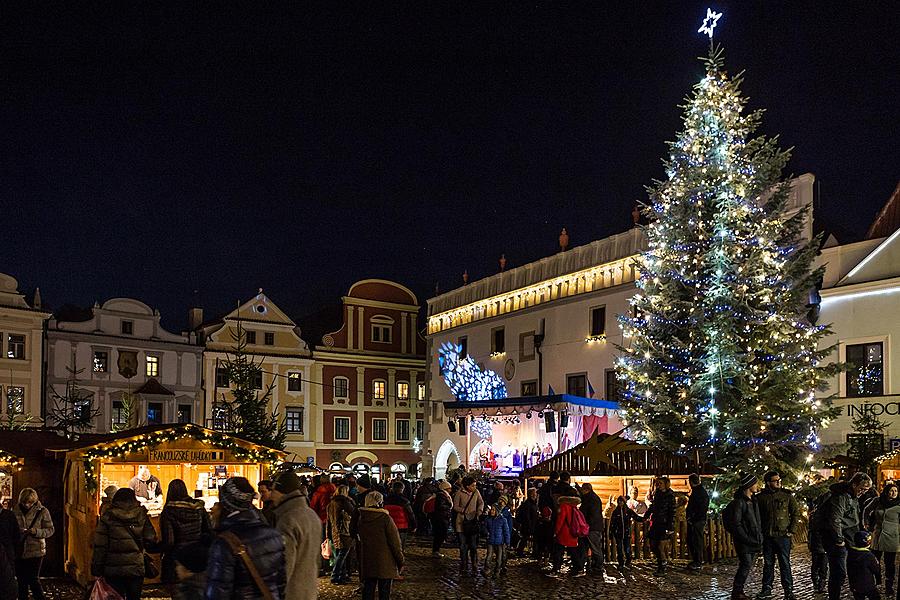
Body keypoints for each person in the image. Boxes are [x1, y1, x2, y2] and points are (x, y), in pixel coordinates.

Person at [205, 478, 286, 600]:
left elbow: (218, 591)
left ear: (226, 504)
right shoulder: (273, 535)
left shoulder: (225, 542)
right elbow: (281, 582)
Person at [811, 472, 873, 600]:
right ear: (854, 485)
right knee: (839, 573)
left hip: (850, 539)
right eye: (862, 489)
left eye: (866, 490)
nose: (863, 492)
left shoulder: (853, 496)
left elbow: (853, 517)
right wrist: (839, 540)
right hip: (838, 541)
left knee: (854, 570)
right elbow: (835, 519)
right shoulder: (841, 497)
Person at [91, 488, 158, 600]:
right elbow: (151, 539)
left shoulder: (108, 516)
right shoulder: (141, 515)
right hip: (135, 567)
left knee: (115, 597)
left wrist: (96, 568)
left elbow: (100, 545)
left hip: (113, 568)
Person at [270, 471, 320, 600]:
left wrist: (276, 592)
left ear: (282, 492)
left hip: (292, 591)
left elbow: (285, 563)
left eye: (273, 491)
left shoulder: (288, 519)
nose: (271, 496)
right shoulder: (311, 515)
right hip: (308, 588)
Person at [755, 470, 800, 600]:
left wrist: (791, 530)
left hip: (783, 535)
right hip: (768, 536)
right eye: (775, 480)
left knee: (784, 563)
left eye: (779, 480)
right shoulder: (760, 498)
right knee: (768, 563)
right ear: (768, 483)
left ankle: (789, 590)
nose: (778, 482)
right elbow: (758, 517)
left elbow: (795, 513)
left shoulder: (787, 496)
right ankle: (766, 589)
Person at [158, 478, 211, 585]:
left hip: (177, 560)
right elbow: (208, 531)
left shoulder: (169, 511)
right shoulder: (199, 508)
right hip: (198, 557)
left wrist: (155, 548)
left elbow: (169, 541)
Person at [357, 491, 404, 600]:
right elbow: (395, 542)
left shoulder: (361, 518)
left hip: (367, 560)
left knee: (368, 589)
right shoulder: (385, 518)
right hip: (385, 561)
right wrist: (400, 560)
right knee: (384, 592)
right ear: (380, 502)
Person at [725, 473, 763, 600]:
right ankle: (737, 592)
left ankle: (739, 591)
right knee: (745, 565)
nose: (757, 486)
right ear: (749, 485)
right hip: (744, 541)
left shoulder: (753, 501)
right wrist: (746, 538)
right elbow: (737, 524)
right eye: (755, 483)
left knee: (747, 565)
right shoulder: (740, 503)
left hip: (752, 539)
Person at [13, 488, 54, 600]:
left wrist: (36, 532)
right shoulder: (15, 510)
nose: (27, 505)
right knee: (21, 581)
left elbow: (50, 530)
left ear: (34, 501)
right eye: (24, 502)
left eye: (30, 502)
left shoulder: (42, 511)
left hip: (36, 550)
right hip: (20, 550)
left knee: (33, 579)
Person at [864, 482, 900, 596]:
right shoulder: (878, 501)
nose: (893, 493)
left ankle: (889, 587)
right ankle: (876, 581)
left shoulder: (899, 505)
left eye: (896, 491)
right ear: (886, 491)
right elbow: (866, 510)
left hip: (892, 537)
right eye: (891, 490)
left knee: (890, 564)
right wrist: (865, 524)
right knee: (874, 561)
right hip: (877, 535)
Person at [643, 476, 675, 575]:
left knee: (660, 545)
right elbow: (653, 506)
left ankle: (662, 566)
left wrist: (669, 526)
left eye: (660, 483)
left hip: (663, 523)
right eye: (657, 483)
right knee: (653, 544)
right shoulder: (657, 494)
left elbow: (671, 512)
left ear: (666, 484)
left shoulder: (670, 496)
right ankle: (661, 562)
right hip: (656, 522)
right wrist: (647, 515)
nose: (658, 485)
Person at [452, 476, 484, 575]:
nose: (475, 487)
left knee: (473, 545)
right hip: (461, 523)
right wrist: (464, 511)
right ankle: (464, 563)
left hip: (473, 522)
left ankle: (474, 563)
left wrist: (479, 511)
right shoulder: (459, 493)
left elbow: (481, 502)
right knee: (463, 546)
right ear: (467, 486)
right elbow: (455, 506)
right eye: (473, 485)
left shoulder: (476, 492)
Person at [327, 485, 355, 584]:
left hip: (335, 532)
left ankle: (342, 576)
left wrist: (328, 534)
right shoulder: (345, 502)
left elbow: (328, 520)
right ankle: (335, 575)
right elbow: (354, 513)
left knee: (340, 554)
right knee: (342, 555)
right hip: (345, 531)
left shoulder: (331, 503)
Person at [551, 495, 585, 576]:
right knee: (573, 552)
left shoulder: (564, 506)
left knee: (558, 551)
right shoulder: (573, 507)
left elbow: (561, 520)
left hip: (564, 533)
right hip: (572, 532)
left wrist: (556, 531)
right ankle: (579, 569)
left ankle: (556, 569)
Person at [577, 483, 605, 574]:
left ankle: (598, 566)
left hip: (591, 527)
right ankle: (595, 565)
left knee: (594, 548)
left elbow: (584, 512)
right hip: (595, 527)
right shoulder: (594, 497)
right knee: (594, 547)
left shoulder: (589, 499)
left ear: (586, 490)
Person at [609, 495, 642, 571]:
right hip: (619, 534)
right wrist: (612, 533)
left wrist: (643, 518)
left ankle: (628, 561)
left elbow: (636, 517)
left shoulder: (628, 511)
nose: (620, 503)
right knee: (619, 549)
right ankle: (621, 563)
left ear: (624, 502)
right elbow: (612, 523)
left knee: (627, 549)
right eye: (619, 501)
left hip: (627, 533)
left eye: (621, 501)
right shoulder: (615, 512)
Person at [686, 473, 709, 571]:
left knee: (696, 540)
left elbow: (700, 508)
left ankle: (698, 561)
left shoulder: (699, 493)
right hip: (696, 520)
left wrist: (692, 518)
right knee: (692, 540)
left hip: (697, 521)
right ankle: (696, 560)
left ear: (691, 482)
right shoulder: (698, 491)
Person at [808, 491, 830, 594]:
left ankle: (819, 584)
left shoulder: (815, 513)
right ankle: (818, 584)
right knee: (820, 565)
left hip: (819, 543)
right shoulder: (818, 514)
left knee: (820, 565)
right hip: (820, 543)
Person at [848, 530, 880, 600]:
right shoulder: (869, 555)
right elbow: (876, 569)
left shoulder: (850, 553)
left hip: (854, 585)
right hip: (868, 585)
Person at [384, 481, 416, 549]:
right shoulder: (405, 501)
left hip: (389, 524)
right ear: (402, 489)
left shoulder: (386, 500)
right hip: (402, 526)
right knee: (400, 545)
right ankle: (400, 558)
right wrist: (414, 525)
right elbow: (411, 514)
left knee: (390, 544)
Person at [0, 500, 21, 599]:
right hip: (8, 551)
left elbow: (16, 536)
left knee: (7, 580)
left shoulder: (9, 515)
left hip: (7, 552)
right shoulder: (9, 515)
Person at [482, 505, 510, 577]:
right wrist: (486, 533)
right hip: (490, 541)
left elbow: (506, 531)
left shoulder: (503, 520)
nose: (492, 511)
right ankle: (487, 569)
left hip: (499, 542)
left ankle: (497, 571)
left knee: (499, 558)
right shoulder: (488, 519)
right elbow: (484, 528)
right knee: (489, 556)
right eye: (491, 509)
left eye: (494, 510)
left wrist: (507, 542)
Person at [429, 481, 453, 557]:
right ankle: (435, 551)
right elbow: (440, 506)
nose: (450, 490)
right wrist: (448, 506)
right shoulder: (441, 495)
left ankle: (436, 550)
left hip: (442, 517)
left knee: (440, 534)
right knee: (440, 534)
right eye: (449, 488)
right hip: (441, 517)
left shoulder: (443, 495)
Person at [515, 488, 539, 558]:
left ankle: (533, 553)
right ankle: (520, 552)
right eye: (535, 493)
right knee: (525, 538)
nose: (536, 494)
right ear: (532, 494)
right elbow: (527, 516)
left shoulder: (532, 503)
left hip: (532, 524)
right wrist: (529, 525)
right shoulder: (528, 504)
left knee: (527, 539)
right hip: (528, 525)